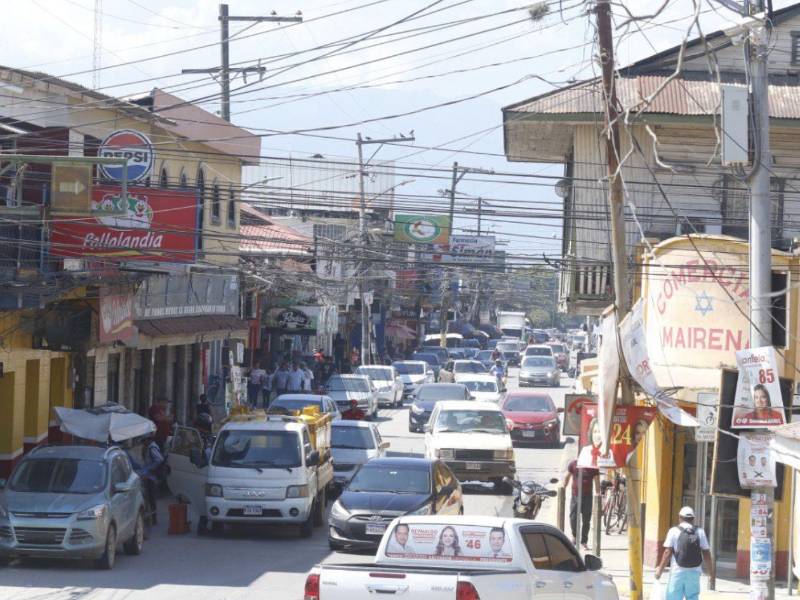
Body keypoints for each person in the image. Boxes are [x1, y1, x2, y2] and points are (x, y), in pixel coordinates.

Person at [655, 506, 713, 600]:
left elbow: (667, 553)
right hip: (694, 572)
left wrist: (660, 571)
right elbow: (707, 554)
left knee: (673, 597)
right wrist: (711, 574)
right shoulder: (700, 532)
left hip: (677, 572)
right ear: (693, 519)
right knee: (692, 597)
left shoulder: (673, 531)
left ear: (680, 518)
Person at [563, 457, 599, 551]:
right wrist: (563, 488)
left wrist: (598, 494)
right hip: (575, 495)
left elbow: (596, 480)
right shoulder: (574, 464)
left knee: (586, 520)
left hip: (588, 496)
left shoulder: (593, 466)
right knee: (573, 517)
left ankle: (584, 541)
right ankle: (574, 536)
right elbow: (567, 476)